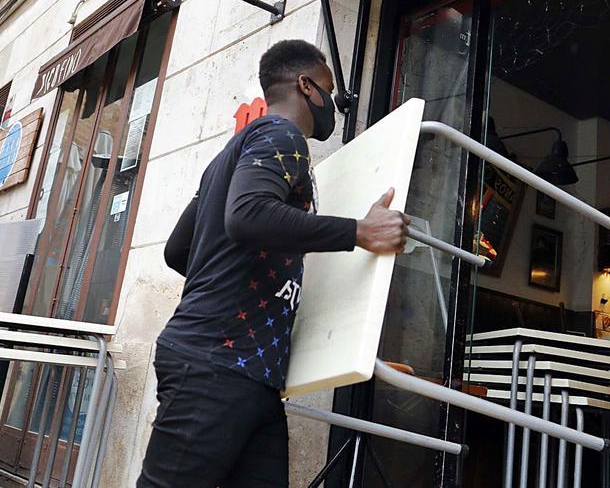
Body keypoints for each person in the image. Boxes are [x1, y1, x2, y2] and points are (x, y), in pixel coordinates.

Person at [137, 40, 409, 488]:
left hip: (248, 373)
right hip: (218, 363)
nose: (333, 104)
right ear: (306, 85)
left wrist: (244, 285)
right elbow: (248, 215)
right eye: (329, 89)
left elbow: (178, 251)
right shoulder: (281, 135)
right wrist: (358, 231)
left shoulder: (229, 156)